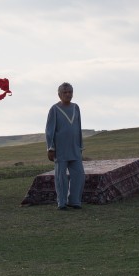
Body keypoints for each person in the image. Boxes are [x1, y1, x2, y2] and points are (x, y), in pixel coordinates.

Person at [46, 82, 84, 210]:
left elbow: (78, 127)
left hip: (75, 148)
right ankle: (61, 202)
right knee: (61, 176)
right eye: (65, 92)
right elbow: (50, 130)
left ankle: (74, 201)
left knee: (79, 174)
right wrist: (50, 148)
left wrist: (80, 145)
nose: (68, 94)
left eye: (70, 92)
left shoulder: (76, 107)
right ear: (59, 94)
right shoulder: (54, 109)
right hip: (60, 149)